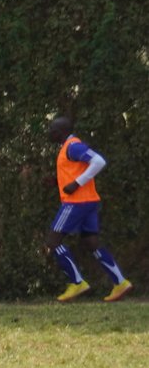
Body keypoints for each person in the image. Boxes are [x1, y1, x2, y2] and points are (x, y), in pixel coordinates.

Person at [45, 114, 132, 302]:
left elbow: (99, 161)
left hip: (76, 202)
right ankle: (120, 282)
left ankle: (77, 283)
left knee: (53, 240)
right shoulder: (66, 148)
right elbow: (76, 170)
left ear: (61, 132)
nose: (49, 132)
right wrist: (58, 181)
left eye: (52, 129)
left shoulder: (73, 146)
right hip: (89, 201)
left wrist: (76, 183)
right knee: (91, 243)